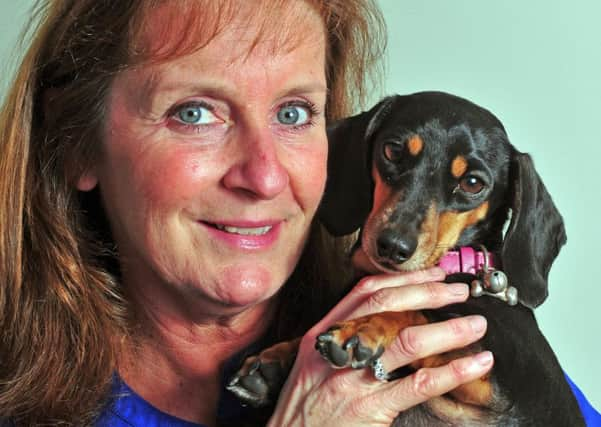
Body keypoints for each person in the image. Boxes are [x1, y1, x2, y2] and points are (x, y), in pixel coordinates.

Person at [0, 1, 597, 426]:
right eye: (194, 113)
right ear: (75, 141)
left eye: (293, 114)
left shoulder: (460, 344)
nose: (262, 175)